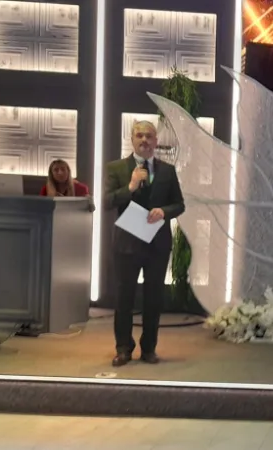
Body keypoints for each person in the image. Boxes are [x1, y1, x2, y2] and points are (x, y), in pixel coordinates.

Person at [103, 120, 184, 367]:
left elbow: (179, 204)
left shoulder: (167, 171)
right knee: (124, 298)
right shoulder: (116, 168)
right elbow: (107, 201)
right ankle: (123, 348)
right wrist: (130, 186)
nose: (144, 140)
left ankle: (149, 349)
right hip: (127, 244)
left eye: (149, 136)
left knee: (153, 299)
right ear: (132, 139)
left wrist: (164, 211)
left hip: (157, 244)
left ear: (156, 141)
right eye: (139, 135)